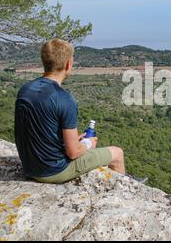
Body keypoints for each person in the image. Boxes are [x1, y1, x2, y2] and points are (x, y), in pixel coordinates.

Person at [15, 39, 145, 184]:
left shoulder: (25, 89)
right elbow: (73, 152)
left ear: (44, 61)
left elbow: (39, 130)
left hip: (29, 167)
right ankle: (127, 188)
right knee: (117, 153)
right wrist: (88, 144)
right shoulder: (64, 99)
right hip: (52, 172)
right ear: (68, 64)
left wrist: (74, 141)